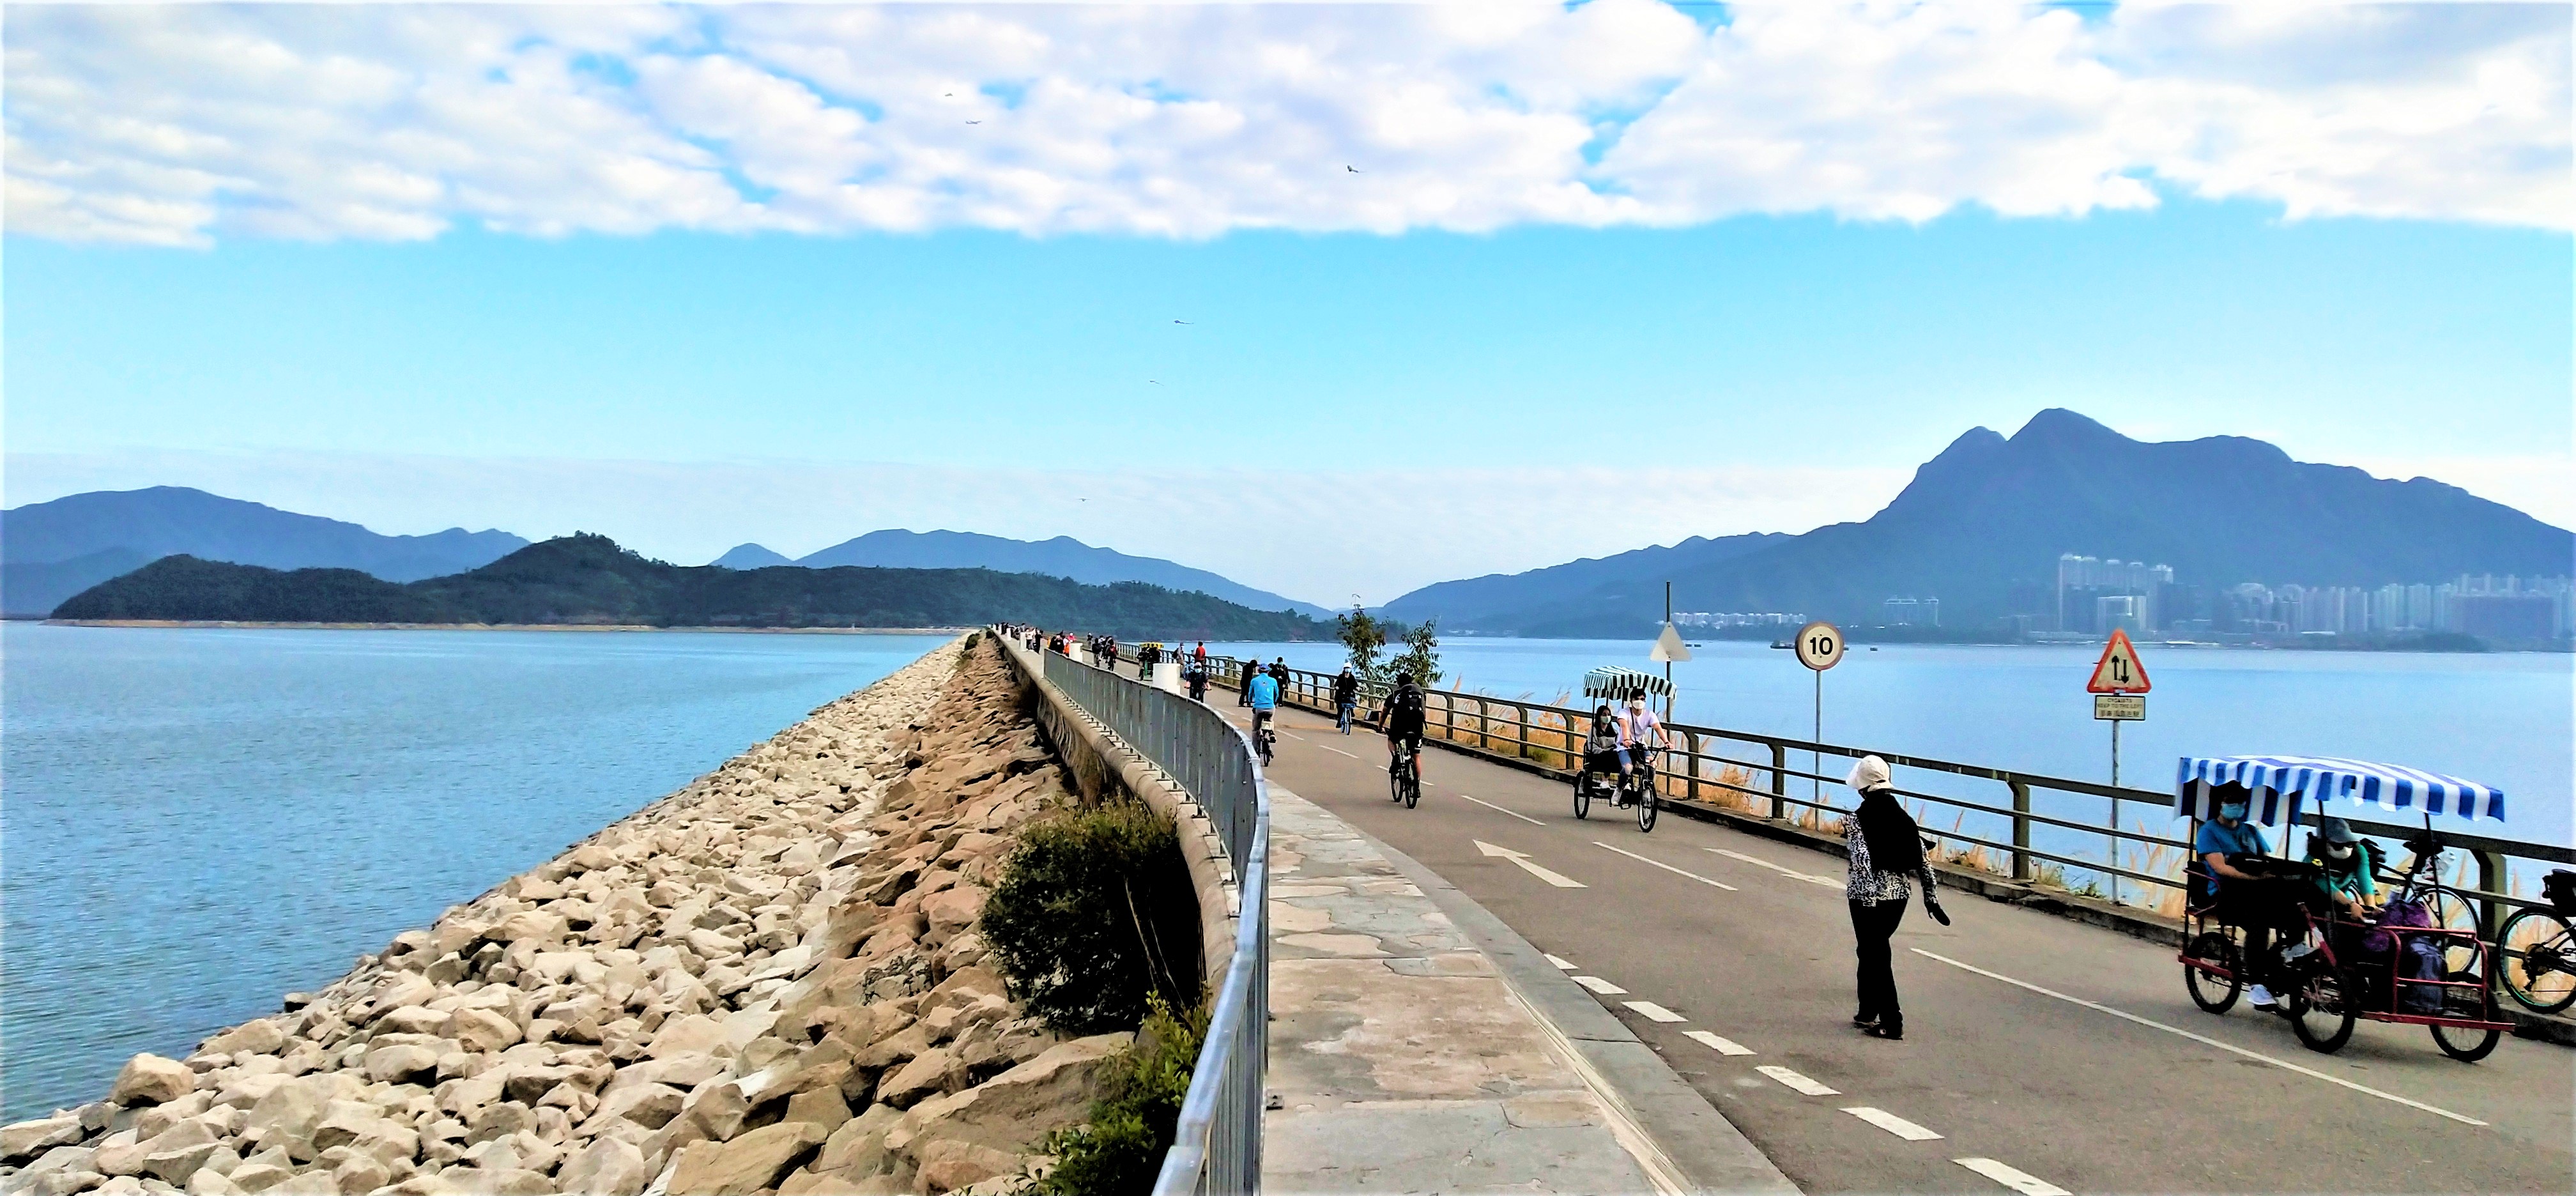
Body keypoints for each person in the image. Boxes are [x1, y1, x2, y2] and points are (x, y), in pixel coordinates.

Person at [1844, 756, 1948, 1040]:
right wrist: (1931, 897)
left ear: (1862, 788)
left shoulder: (1856, 819)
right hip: (1899, 895)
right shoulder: (1904, 818)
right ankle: (1867, 1009)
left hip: (1866, 898)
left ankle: (1892, 1021)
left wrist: (1867, 900)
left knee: (1875, 953)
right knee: (1871, 950)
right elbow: (1923, 859)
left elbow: (1862, 861)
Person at [2195, 786, 2304, 1012]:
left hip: (2258, 889)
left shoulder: (2250, 831)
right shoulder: (2209, 831)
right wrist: (2252, 878)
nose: (2237, 806)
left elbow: (2266, 858)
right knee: (2259, 924)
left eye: (2241, 802)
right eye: (2231, 801)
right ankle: (2256, 985)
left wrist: (2276, 873)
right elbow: (2220, 867)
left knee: (2296, 904)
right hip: (2226, 892)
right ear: (2220, 804)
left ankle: (2292, 948)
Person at [1382, 673, 1427, 789]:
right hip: (1417, 727)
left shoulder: (1395, 695)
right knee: (1416, 756)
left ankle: (1396, 756)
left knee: (1391, 739)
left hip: (1399, 727)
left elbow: (1385, 712)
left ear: (1398, 683)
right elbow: (1423, 713)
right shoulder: (1420, 694)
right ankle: (1416, 785)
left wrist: (1380, 725)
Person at [1617, 691, 1667, 795]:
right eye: (1636, 699)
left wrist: (1666, 742)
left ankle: (1646, 790)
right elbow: (1624, 726)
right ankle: (1619, 790)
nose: (1639, 702)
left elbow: (1658, 728)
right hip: (1624, 747)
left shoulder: (1649, 714)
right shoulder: (1624, 712)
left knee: (1652, 763)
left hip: (1641, 747)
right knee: (1628, 768)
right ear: (1631, 701)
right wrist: (1626, 740)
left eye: (1642, 699)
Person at [1248, 666, 1280, 746]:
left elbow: (1250, 694)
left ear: (1258, 671)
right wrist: (1275, 702)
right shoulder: (1273, 681)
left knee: (1256, 729)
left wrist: (1249, 701)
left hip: (1259, 707)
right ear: (1268, 671)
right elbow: (1277, 694)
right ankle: (1271, 733)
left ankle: (1256, 748)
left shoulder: (1254, 681)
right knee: (1269, 720)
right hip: (1270, 707)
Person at [1332, 668, 1360, 734]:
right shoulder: (1341, 677)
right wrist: (1337, 687)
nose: (1347, 671)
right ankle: (1339, 720)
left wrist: (1358, 688)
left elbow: (1355, 684)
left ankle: (1351, 713)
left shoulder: (1352, 677)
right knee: (1340, 708)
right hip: (1341, 694)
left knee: (1352, 703)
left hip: (1349, 694)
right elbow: (1336, 684)